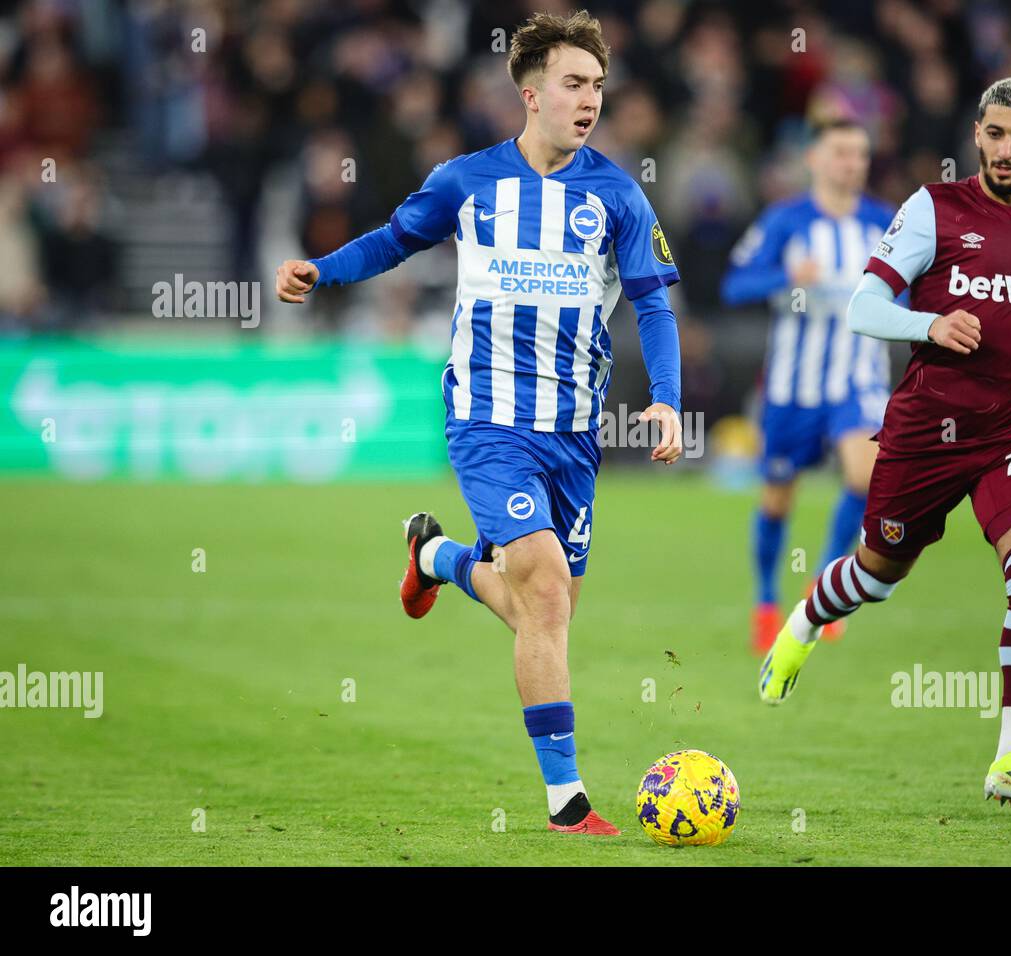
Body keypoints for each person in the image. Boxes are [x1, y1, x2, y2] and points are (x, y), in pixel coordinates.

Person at [275, 10, 683, 835]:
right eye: (573, 83)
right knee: (541, 586)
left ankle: (434, 555)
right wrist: (323, 269)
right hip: (488, 421)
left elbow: (651, 302)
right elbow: (394, 241)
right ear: (529, 93)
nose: (589, 99)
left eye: (598, 85)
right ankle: (566, 802)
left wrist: (668, 397)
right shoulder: (466, 180)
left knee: (547, 604)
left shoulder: (617, 194)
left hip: (572, 432)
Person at [758, 77, 1011, 809]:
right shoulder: (933, 209)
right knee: (877, 574)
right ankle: (808, 617)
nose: (1005, 149)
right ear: (977, 134)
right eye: (994, 134)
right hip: (928, 430)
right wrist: (930, 325)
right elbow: (863, 305)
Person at [721, 119, 894, 654]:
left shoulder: (886, 223)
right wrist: (788, 278)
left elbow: (912, 292)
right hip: (793, 386)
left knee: (867, 476)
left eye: (861, 153)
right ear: (815, 159)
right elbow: (734, 285)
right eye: (841, 152)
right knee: (776, 499)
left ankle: (823, 583)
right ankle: (767, 601)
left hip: (858, 376)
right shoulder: (786, 221)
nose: (852, 163)